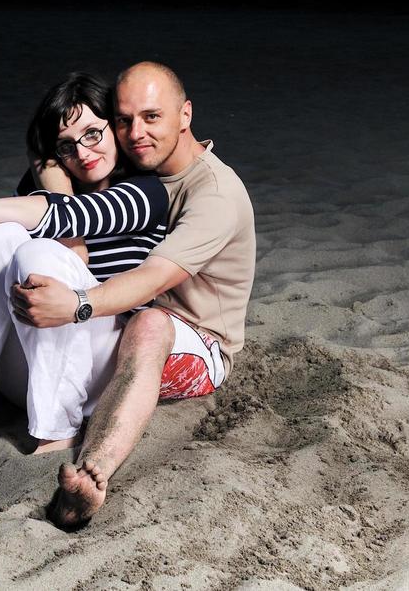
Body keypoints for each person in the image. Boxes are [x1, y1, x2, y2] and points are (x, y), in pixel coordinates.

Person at [0, 72, 175, 461]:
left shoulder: (146, 192)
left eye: (93, 133)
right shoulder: (51, 189)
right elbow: (4, 250)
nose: (83, 153)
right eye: (66, 145)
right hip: (32, 372)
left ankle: (57, 431)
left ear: (115, 128)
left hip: (101, 370)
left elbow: (69, 225)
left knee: (37, 254)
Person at [38, 61, 255, 527]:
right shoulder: (129, 165)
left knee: (151, 322)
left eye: (152, 117)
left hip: (195, 343)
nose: (136, 132)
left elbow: (155, 278)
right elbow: (52, 202)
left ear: (185, 115)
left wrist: (77, 304)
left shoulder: (214, 193)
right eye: (124, 119)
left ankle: (93, 474)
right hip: (119, 314)